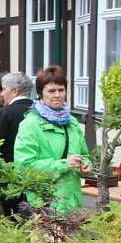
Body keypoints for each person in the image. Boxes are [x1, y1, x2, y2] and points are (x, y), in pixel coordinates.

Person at [14, 65, 90, 213]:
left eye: (61, 90)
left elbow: (84, 155)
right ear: (41, 93)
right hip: (44, 203)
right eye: (51, 91)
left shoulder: (72, 122)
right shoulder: (30, 124)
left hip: (71, 201)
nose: (57, 95)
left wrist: (85, 167)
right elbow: (24, 166)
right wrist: (63, 164)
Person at [0, 72, 35, 217]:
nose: (1, 94)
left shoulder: (7, 113)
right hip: (31, 176)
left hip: (7, 178)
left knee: (7, 222)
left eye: (3, 89)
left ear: (14, 91)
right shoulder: (38, 111)